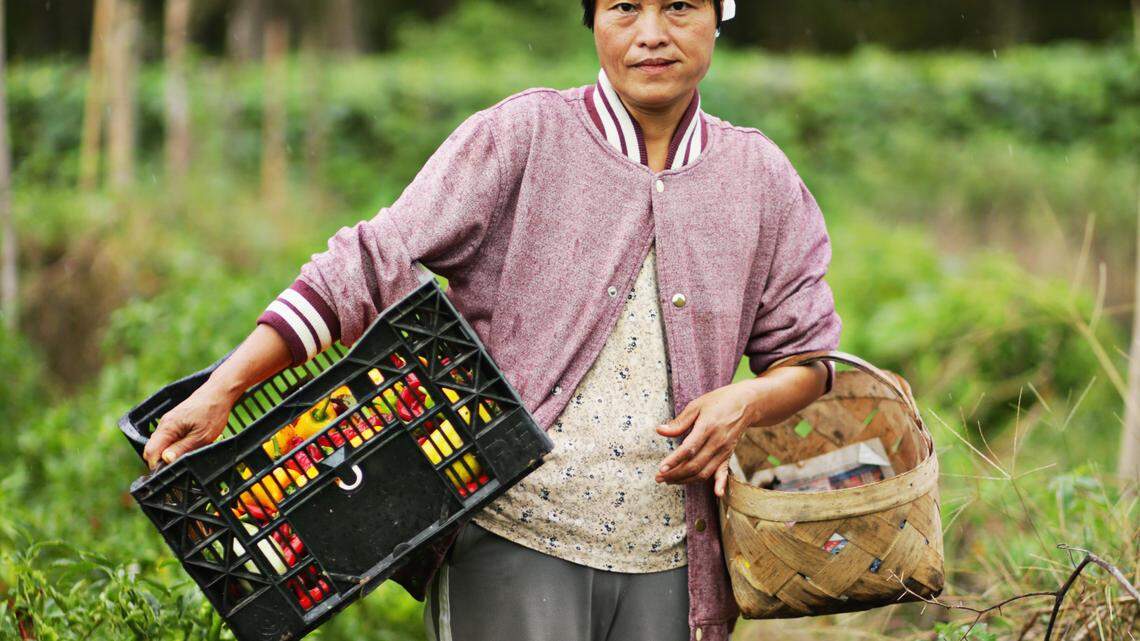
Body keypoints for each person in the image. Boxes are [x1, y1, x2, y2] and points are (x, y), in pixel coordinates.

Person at [142, 1, 842, 639]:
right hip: (514, 537)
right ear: (592, 18)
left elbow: (806, 360)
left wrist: (744, 401)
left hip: (670, 562)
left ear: (721, 14)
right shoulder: (523, 135)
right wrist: (224, 386)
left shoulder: (758, 176)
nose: (652, 33)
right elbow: (364, 263)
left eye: (679, 7)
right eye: (625, 7)